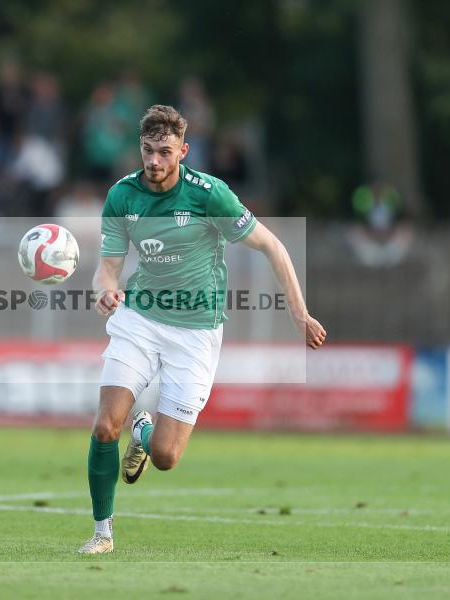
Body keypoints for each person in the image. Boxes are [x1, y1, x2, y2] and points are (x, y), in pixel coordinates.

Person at [77, 105, 326, 554]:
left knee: (167, 457)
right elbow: (108, 268)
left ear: (183, 152)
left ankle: (145, 433)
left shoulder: (209, 194)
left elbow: (271, 245)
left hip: (195, 333)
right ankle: (101, 533)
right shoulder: (122, 196)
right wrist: (105, 290)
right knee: (103, 427)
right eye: (148, 151)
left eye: (164, 152)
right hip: (140, 320)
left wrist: (299, 314)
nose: (154, 161)